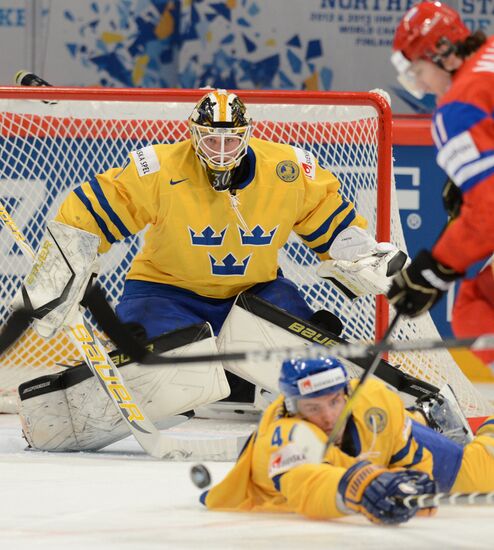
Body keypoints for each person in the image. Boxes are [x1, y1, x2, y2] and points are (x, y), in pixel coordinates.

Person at [17, 88, 405, 349]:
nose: (221, 150)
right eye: (211, 139)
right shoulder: (160, 168)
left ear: (247, 135)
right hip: (165, 292)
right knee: (155, 367)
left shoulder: (286, 169)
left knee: (311, 356)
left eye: (231, 140)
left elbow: (326, 215)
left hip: (254, 294)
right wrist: (63, 263)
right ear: (193, 134)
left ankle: (243, 379)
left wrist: (358, 252)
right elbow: (97, 208)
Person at [201, 356, 494, 524]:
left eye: (333, 402)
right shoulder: (285, 435)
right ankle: (422, 418)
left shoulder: (373, 400)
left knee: (485, 474)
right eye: (312, 408)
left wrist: (417, 482)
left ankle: (424, 418)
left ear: (345, 394)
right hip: (364, 464)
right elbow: (308, 485)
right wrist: (363, 487)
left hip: (383, 439)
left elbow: (412, 458)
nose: (328, 417)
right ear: (292, 406)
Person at [387, 1, 494, 368]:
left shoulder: (457, 107)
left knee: (475, 309)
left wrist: (433, 270)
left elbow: (488, 214)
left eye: (418, 70)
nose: (420, 85)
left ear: (444, 55)